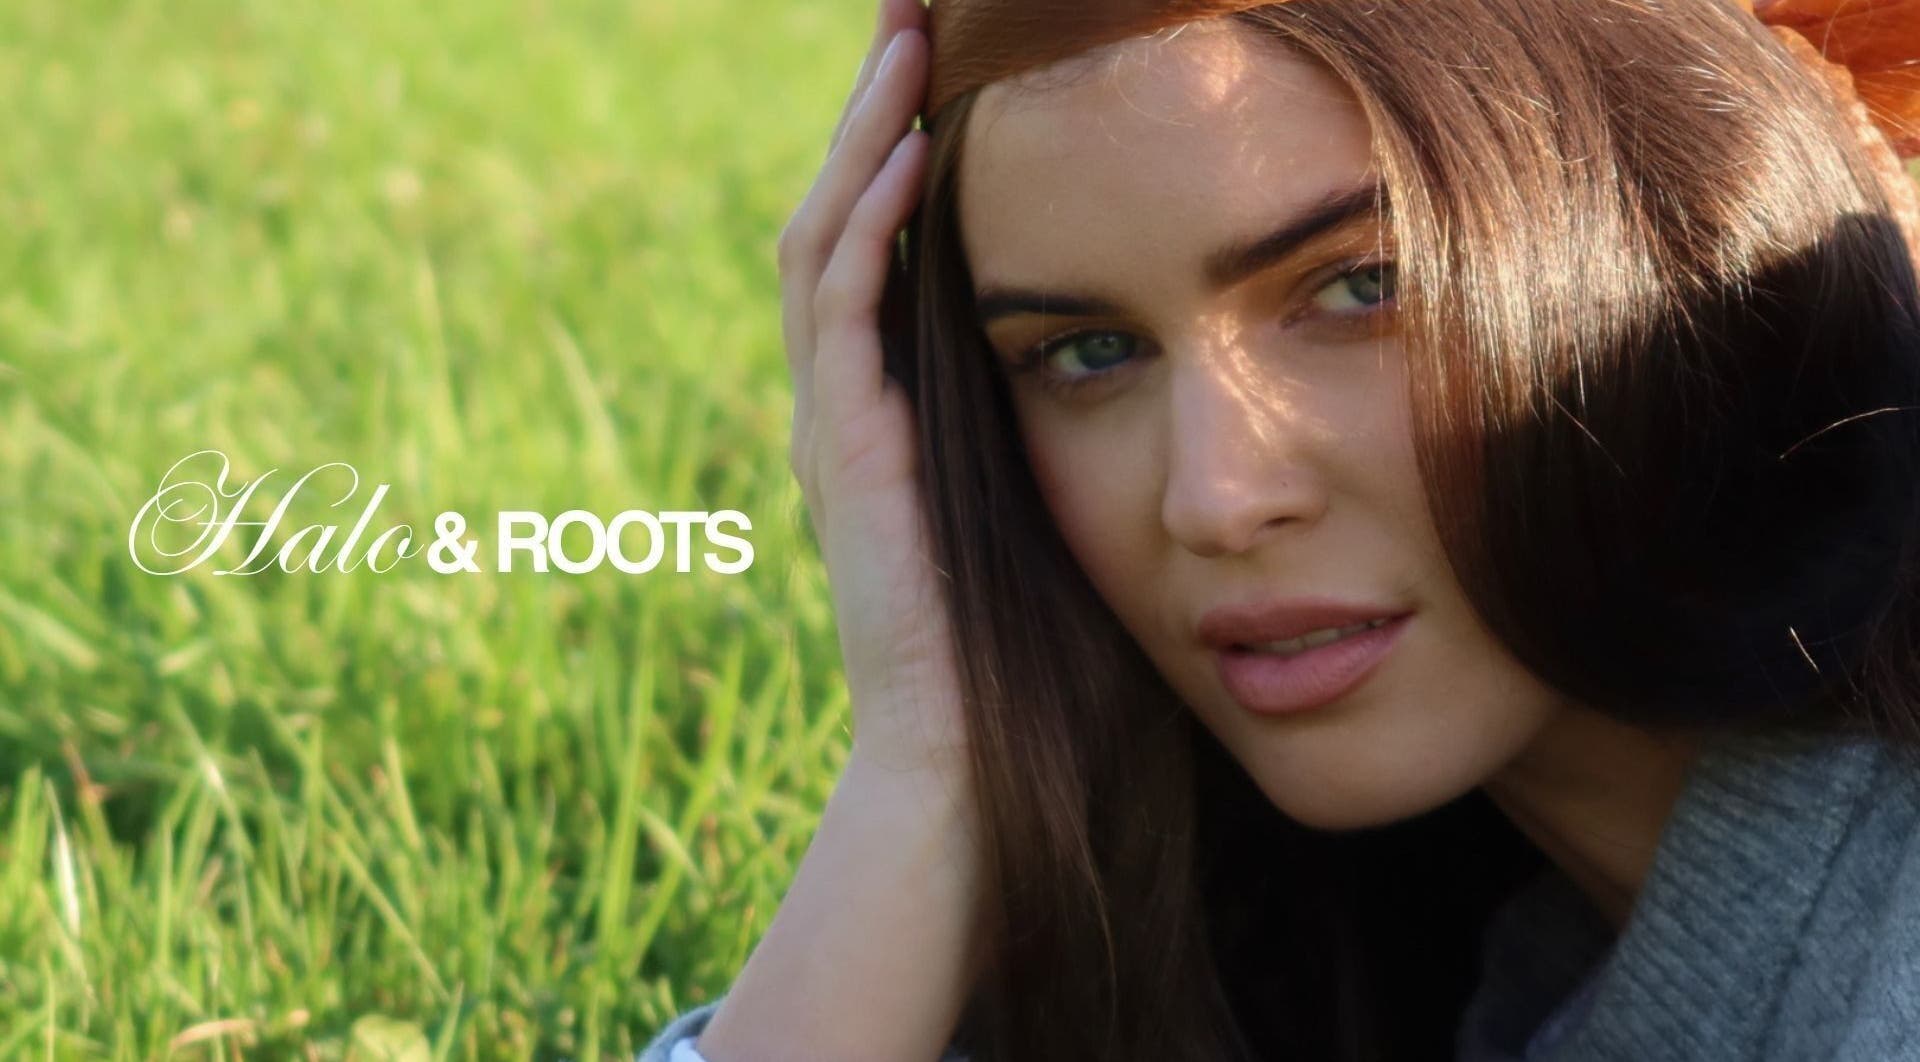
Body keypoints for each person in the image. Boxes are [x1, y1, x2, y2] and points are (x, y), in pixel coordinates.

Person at [642, 0, 1920, 1058]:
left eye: (1365, 285)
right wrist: (930, 765)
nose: (1214, 499)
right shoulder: (1427, 950)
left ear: (1684, 229)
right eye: (1088, 352)